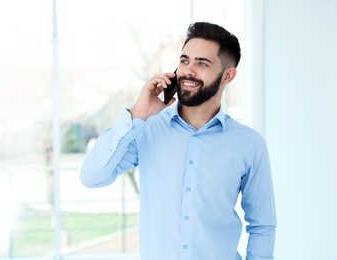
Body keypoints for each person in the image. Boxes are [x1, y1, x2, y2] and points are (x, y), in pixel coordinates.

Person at [80, 22, 276, 260]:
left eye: (202, 63)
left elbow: (262, 225)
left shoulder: (249, 143)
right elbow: (91, 176)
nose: (188, 71)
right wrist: (137, 113)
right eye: (184, 61)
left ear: (228, 75)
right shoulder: (146, 128)